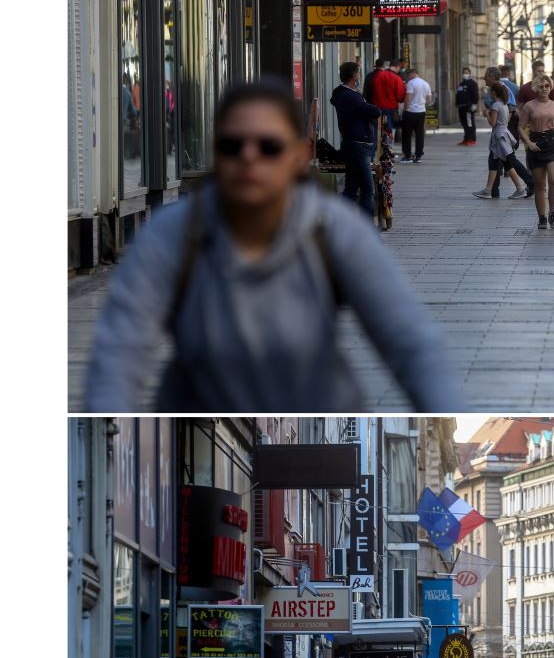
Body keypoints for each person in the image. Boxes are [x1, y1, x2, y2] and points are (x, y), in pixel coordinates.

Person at [83, 78, 460, 410]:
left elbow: (411, 344)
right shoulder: (173, 235)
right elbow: (119, 352)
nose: (249, 157)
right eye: (233, 145)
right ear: (216, 153)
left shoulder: (334, 231)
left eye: (269, 147)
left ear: (299, 155)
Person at [474, 69, 535, 201]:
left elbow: (511, 108)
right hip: (503, 129)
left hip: (504, 131)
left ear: (492, 77)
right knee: (496, 160)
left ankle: (528, 183)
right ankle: (491, 190)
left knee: (509, 160)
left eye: (486, 77)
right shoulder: (499, 95)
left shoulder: (502, 90)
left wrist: (492, 116)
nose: (484, 79)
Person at [329, 60, 380, 218]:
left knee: (351, 187)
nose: (359, 77)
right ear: (353, 77)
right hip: (357, 146)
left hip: (355, 145)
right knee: (367, 187)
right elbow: (374, 111)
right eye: (358, 74)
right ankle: (365, 225)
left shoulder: (348, 95)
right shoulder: (349, 96)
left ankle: (340, 220)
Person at [518, 74, 554, 229]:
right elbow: (520, 127)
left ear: (550, 87)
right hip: (536, 143)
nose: (544, 89)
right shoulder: (529, 106)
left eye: (547, 86)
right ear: (536, 88)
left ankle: (553, 213)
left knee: (553, 179)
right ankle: (542, 217)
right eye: (541, 86)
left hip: (553, 143)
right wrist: (529, 143)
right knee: (539, 185)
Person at [365, 56, 406, 142]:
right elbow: (400, 97)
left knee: (376, 130)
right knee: (388, 131)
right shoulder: (397, 78)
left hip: (376, 106)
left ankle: (374, 152)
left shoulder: (378, 75)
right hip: (389, 108)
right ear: (398, 66)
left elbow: (372, 90)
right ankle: (387, 151)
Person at [400, 65, 431, 162]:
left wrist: (405, 109)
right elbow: (429, 99)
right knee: (419, 134)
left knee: (407, 134)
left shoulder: (411, 83)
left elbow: (408, 98)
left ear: (412, 74)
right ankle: (418, 156)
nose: (408, 77)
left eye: (409, 75)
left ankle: (408, 155)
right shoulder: (426, 84)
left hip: (411, 111)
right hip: (421, 111)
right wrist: (421, 103)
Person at [454, 67, 480, 145]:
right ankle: (466, 138)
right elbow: (458, 94)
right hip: (461, 107)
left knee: (469, 123)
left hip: (468, 107)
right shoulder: (461, 84)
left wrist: (474, 104)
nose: (464, 74)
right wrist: (457, 103)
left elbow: (475, 95)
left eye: (466, 73)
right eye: (464, 73)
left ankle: (472, 139)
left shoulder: (472, 83)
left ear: (469, 74)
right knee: (464, 123)